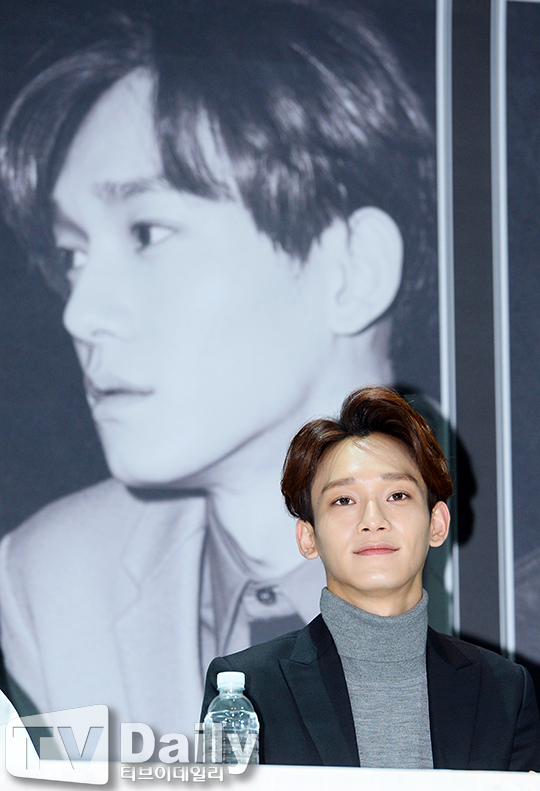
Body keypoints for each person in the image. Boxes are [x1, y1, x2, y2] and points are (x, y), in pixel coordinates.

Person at [0, 0, 437, 740]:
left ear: (352, 270)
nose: (81, 312)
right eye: (73, 254)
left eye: (148, 231)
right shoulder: (52, 582)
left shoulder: (510, 586)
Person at [202, 386, 540, 769]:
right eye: (344, 500)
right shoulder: (246, 688)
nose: (373, 521)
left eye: (397, 496)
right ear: (308, 537)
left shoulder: (504, 690)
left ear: (437, 523)